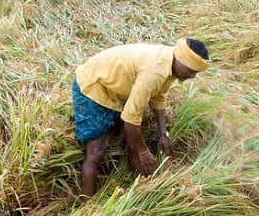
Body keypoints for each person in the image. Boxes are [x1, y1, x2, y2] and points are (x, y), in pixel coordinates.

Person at [72, 38, 210, 197]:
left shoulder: (169, 63)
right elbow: (130, 119)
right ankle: (88, 204)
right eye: (191, 71)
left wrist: (163, 133)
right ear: (181, 60)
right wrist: (144, 152)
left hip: (116, 88)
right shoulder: (155, 71)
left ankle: (140, 188)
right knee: (95, 152)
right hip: (93, 85)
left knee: (133, 141)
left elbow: (158, 98)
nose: (193, 76)